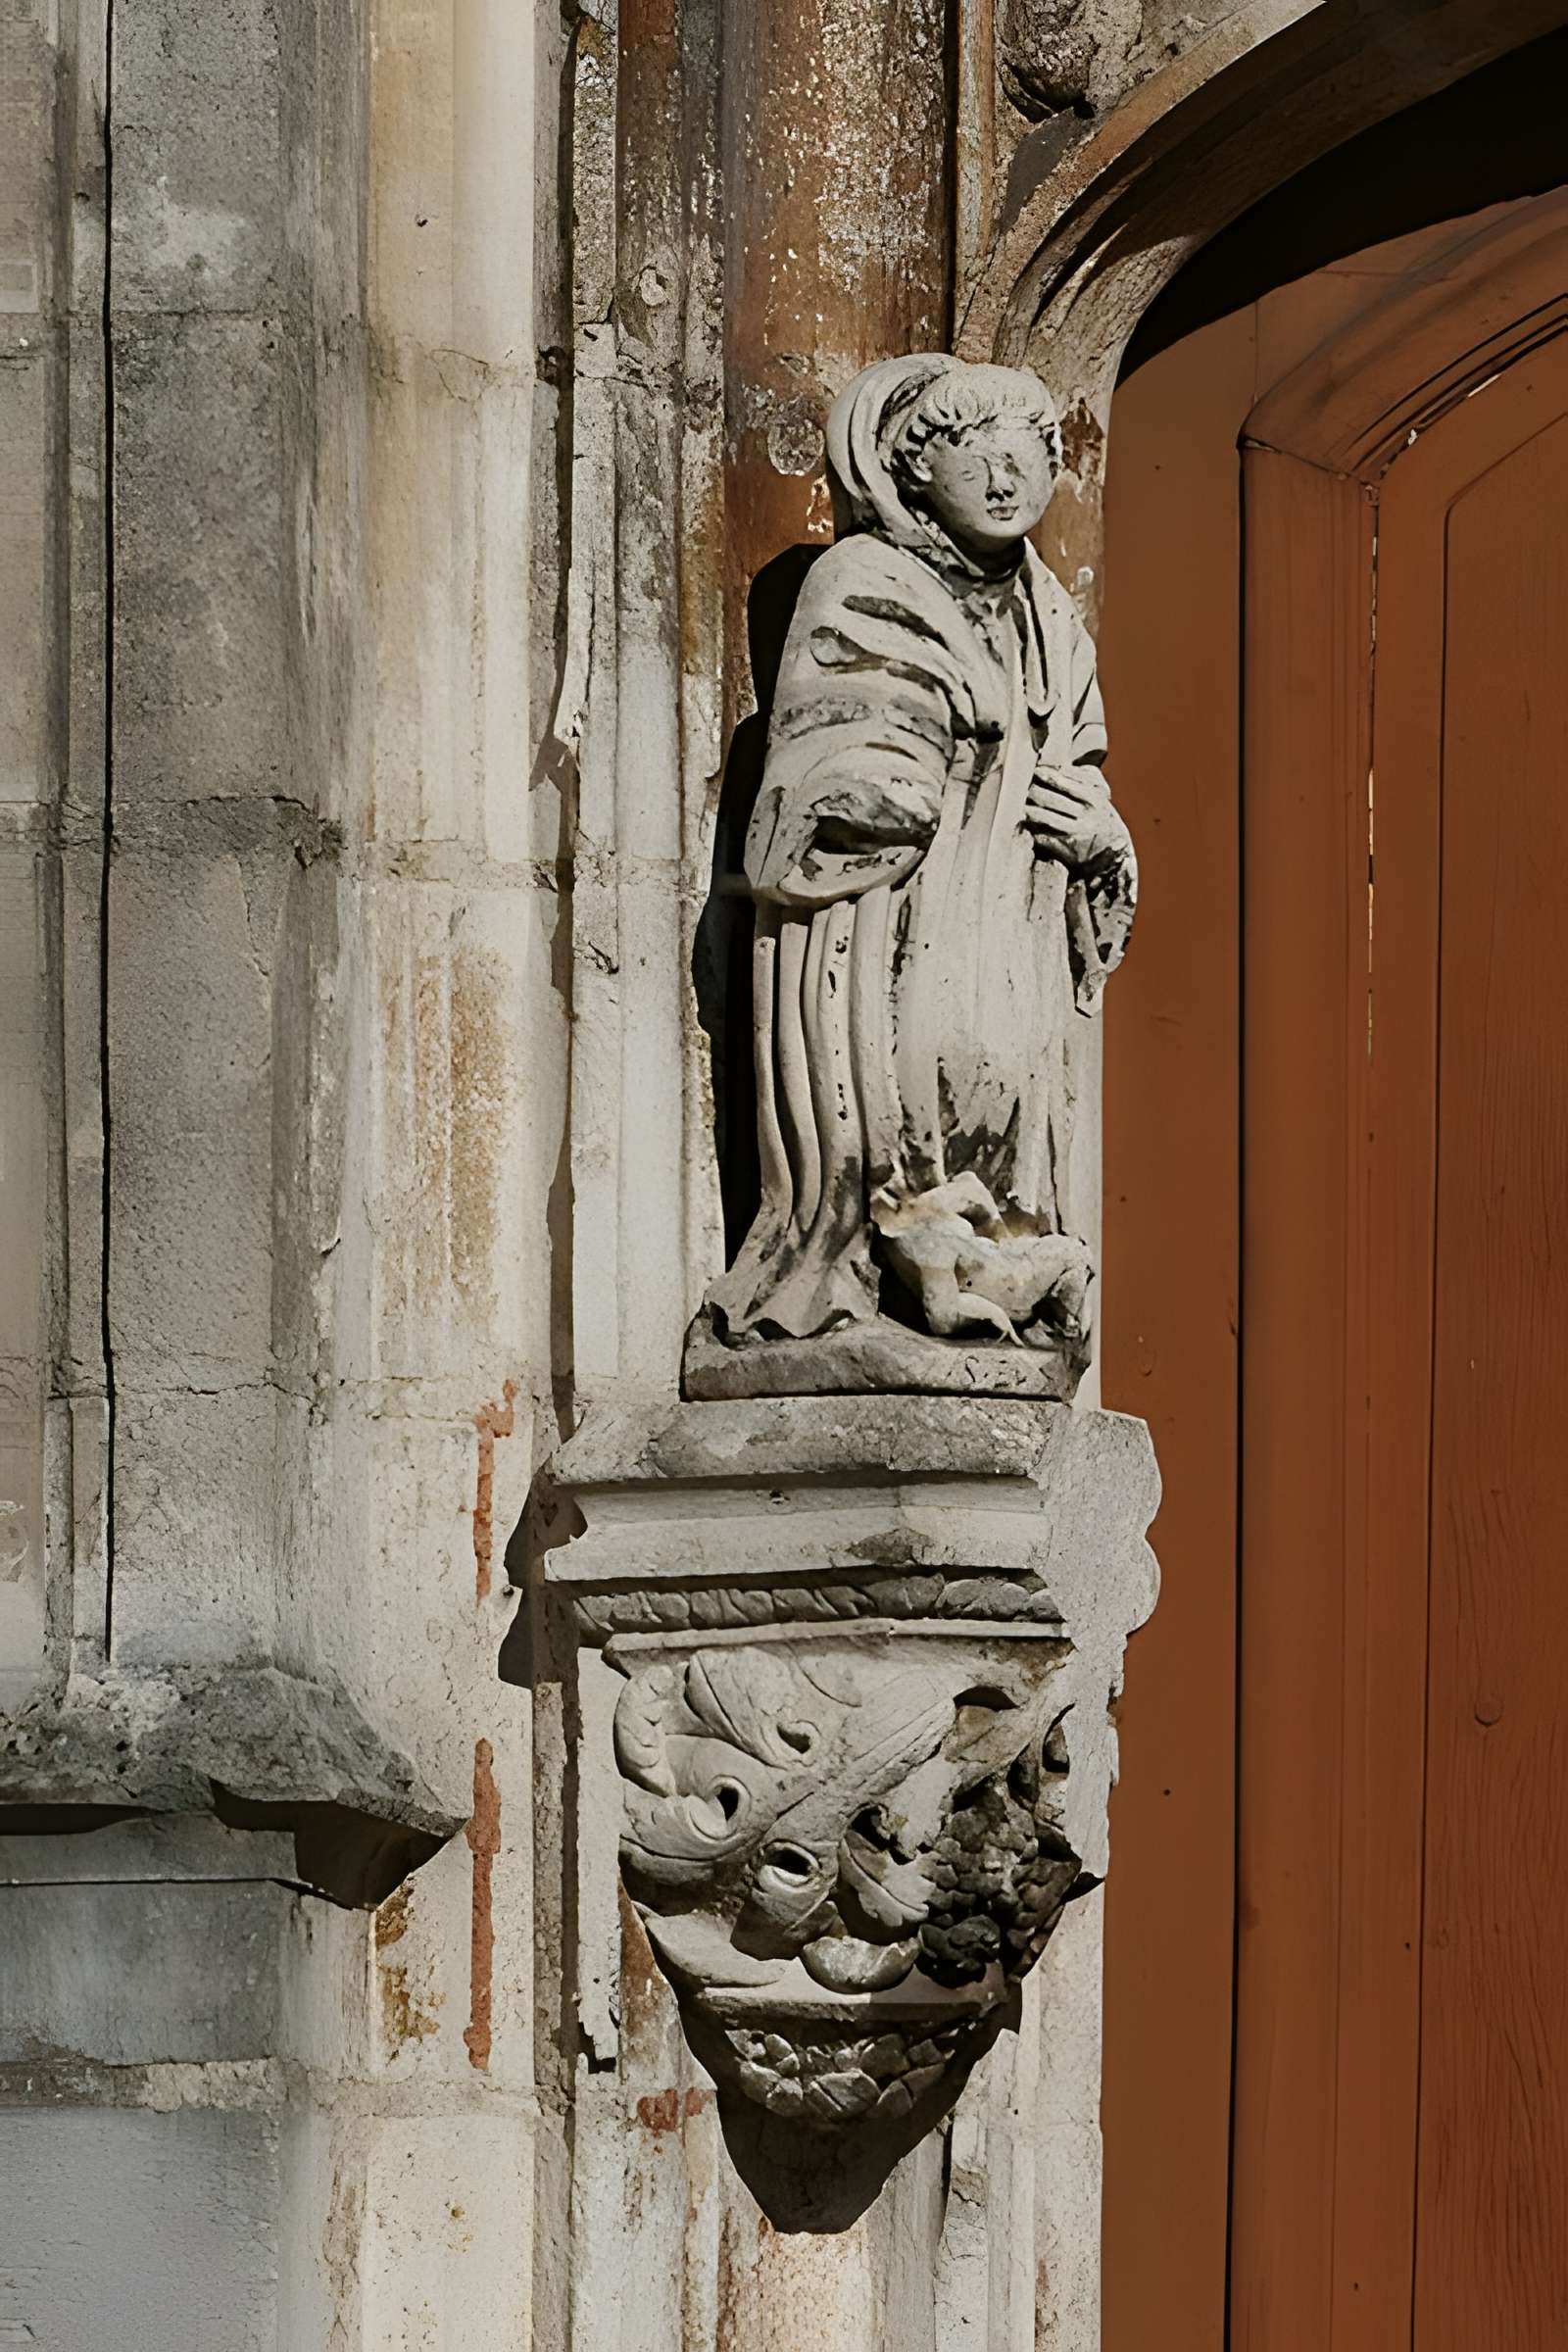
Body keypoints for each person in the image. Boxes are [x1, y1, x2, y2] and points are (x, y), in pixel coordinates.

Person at [693, 353, 1136, 1392]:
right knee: (903, 1091)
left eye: (1028, 453)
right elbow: (824, 759)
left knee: (1002, 1090)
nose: (1003, 476)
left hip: (1010, 926)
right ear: (911, 467)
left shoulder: (1050, 619)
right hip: (892, 919)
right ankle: (886, 1275)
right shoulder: (864, 581)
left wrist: (1100, 836)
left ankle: (999, 1267)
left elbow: (1079, 766)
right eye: (971, 452)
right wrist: (888, 776)